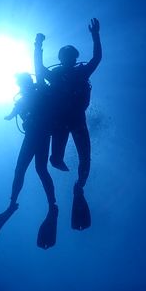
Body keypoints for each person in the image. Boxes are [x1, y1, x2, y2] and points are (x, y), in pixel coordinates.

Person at [0, 35, 58, 249]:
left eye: (21, 83)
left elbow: (37, 66)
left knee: (35, 169)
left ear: (28, 82)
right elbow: (16, 110)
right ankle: (21, 204)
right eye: (19, 84)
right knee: (30, 169)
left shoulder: (39, 89)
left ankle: (43, 204)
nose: (21, 86)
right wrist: (10, 115)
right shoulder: (24, 98)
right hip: (37, 135)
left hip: (40, 134)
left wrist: (38, 45)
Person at [35, 18, 102, 230]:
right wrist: (37, 46)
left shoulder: (81, 72)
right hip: (61, 122)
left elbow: (97, 59)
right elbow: (39, 69)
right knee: (55, 160)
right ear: (62, 58)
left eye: (71, 56)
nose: (68, 59)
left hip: (76, 120)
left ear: (74, 58)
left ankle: (79, 187)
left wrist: (96, 35)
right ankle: (75, 185)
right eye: (66, 56)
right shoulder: (56, 75)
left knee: (85, 159)